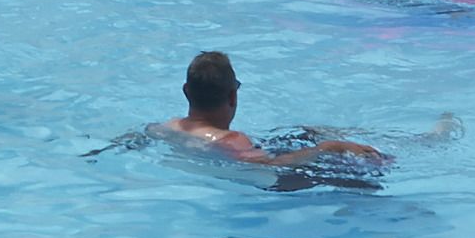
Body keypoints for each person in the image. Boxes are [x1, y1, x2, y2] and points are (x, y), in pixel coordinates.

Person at [152, 50, 392, 175]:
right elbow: (269, 165)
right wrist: (327, 148)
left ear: (186, 91)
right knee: (365, 173)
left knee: (301, 133)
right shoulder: (233, 140)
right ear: (233, 97)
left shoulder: (168, 127)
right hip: (266, 184)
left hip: (222, 167)